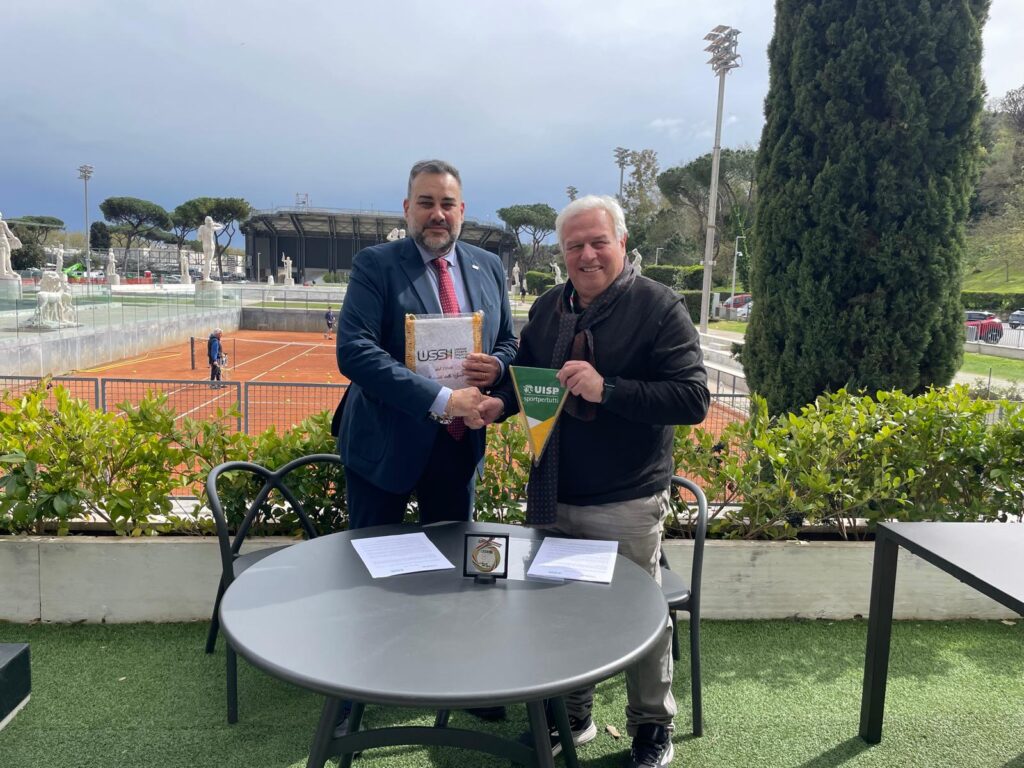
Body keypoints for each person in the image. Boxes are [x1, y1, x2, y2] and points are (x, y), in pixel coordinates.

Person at [475, 195, 709, 768]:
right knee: (559, 614)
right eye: (574, 245)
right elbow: (529, 380)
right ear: (562, 253)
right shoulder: (549, 307)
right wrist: (496, 404)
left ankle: (652, 728)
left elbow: (693, 398)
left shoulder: (659, 306)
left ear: (621, 243)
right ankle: (573, 718)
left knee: (641, 618)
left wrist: (609, 389)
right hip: (553, 492)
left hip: (626, 498)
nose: (587, 255)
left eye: (598, 242)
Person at [333, 159, 518, 729]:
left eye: (447, 204)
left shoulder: (488, 266)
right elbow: (355, 352)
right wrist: (441, 399)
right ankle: (356, 688)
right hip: (384, 445)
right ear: (407, 208)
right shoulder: (376, 265)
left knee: (457, 574)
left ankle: (459, 677)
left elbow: (510, 341)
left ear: (463, 210)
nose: (437, 214)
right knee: (372, 569)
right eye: (426, 202)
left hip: (458, 448)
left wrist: (495, 368)